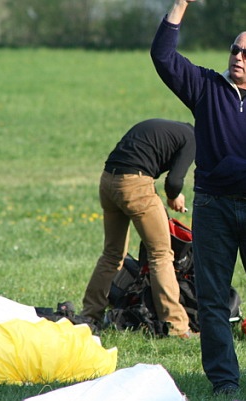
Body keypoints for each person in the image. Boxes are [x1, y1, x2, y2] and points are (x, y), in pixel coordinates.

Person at [151, 0, 246, 395]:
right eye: (235, 49)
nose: (238, 57)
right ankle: (224, 382)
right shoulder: (207, 88)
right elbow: (162, 56)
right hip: (212, 207)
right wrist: (180, 5)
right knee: (213, 299)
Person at [81, 118, 196, 338]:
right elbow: (174, 181)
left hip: (108, 181)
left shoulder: (167, 128)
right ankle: (177, 327)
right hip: (135, 185)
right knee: (161, 255)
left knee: (112, 254)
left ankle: (89, 316)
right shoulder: (192, 139)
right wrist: (174, 196)